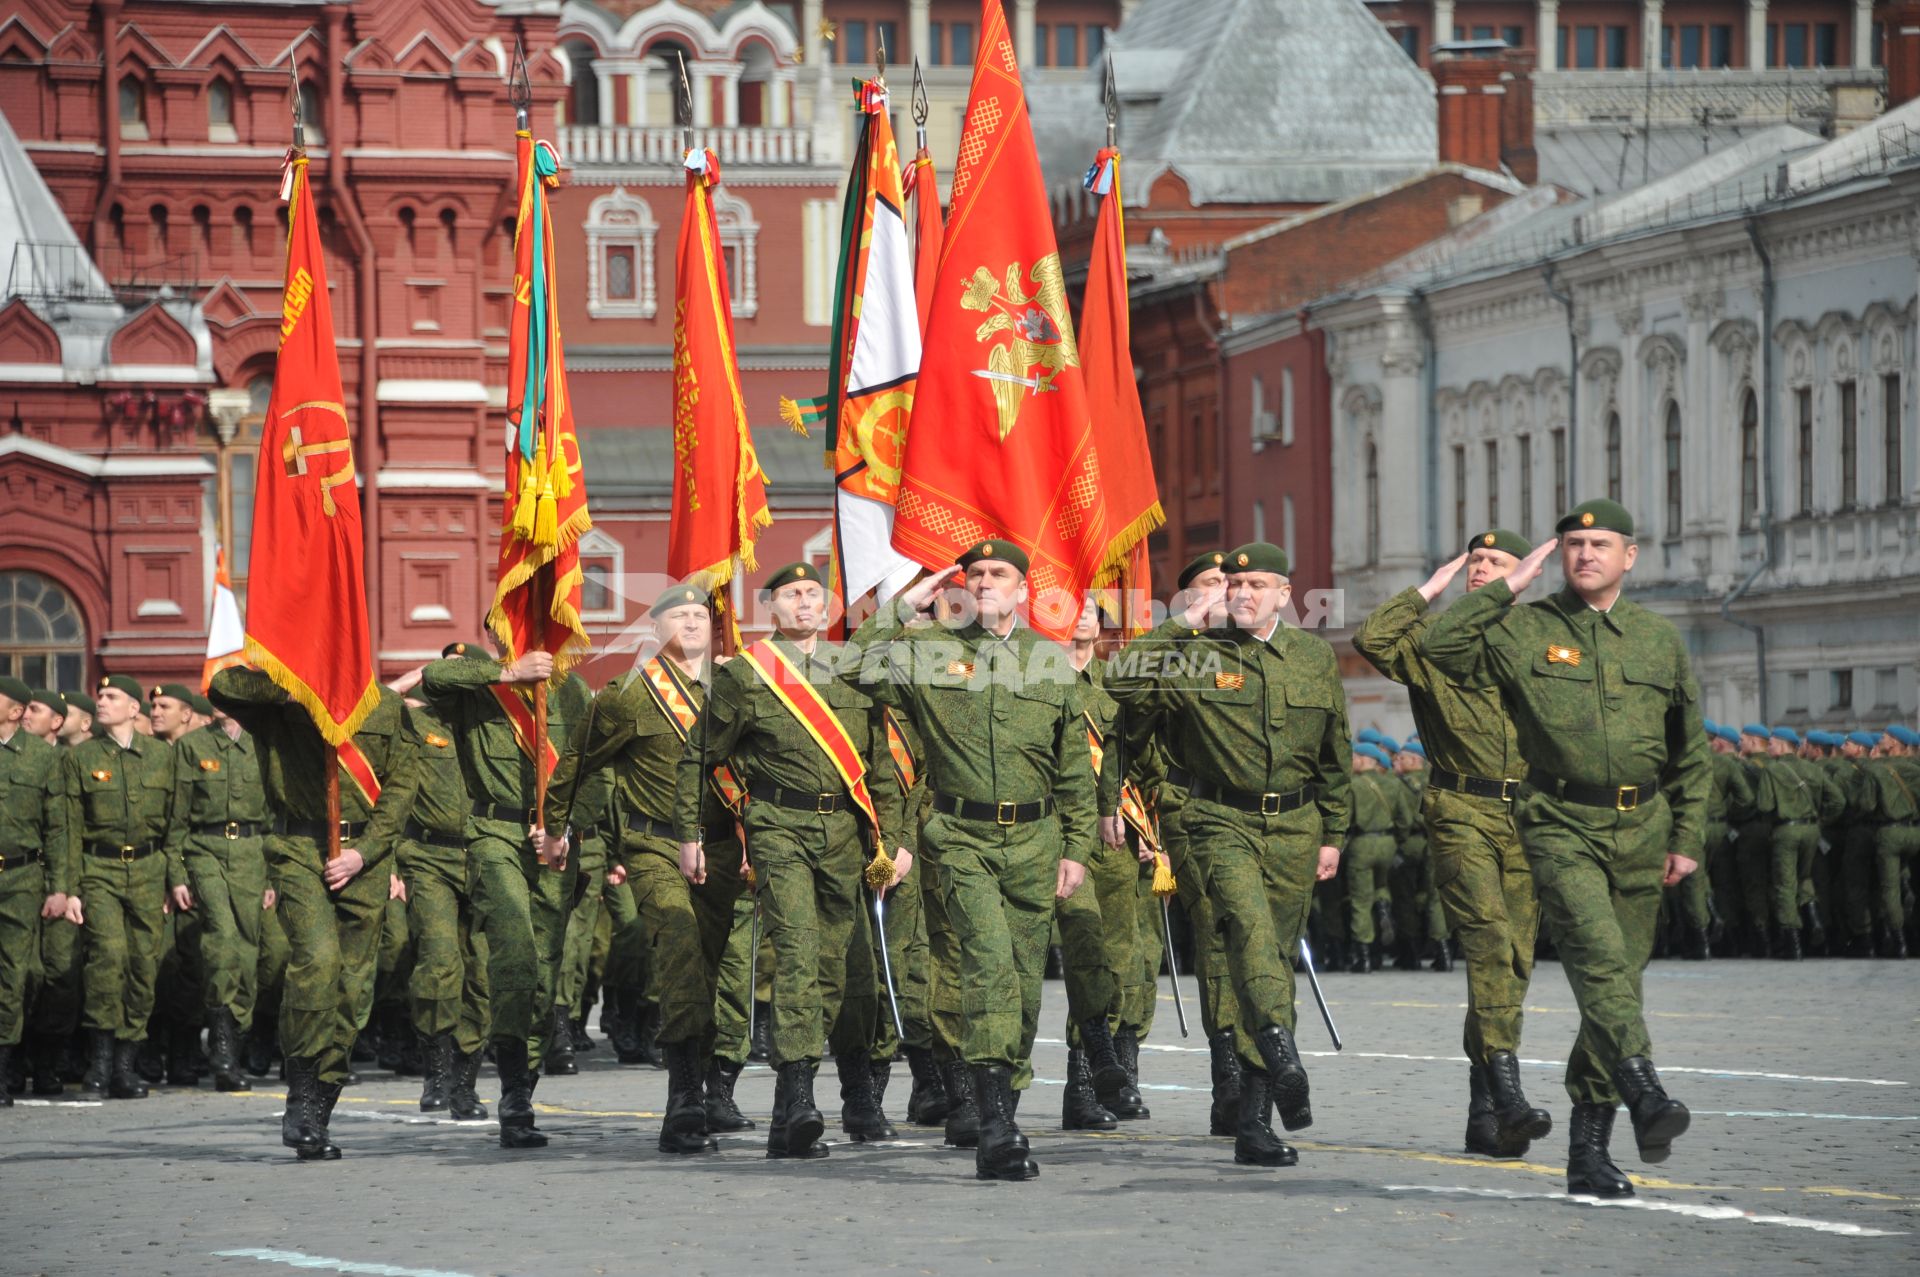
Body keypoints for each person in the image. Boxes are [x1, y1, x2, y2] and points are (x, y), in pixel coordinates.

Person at [1423, 499, 1707, 1199]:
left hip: (1643, 827)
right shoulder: (1525, 630)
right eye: (1574, 543)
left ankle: (1589, 1151)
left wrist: (1687, 837)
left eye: (1600, 543)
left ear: (1628, 555)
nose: (1585, 554)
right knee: (1601, 960)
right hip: (1559, 822)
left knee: (1618, 984)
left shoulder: (1658, 640)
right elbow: (1440, 649)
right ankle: (1643, 1083)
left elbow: (1690, 750)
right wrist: (1508, 586)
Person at [849, 541, 1096, 1182]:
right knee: (986, 966)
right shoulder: (930, 650)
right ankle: (996, 1128)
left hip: (1038, 841)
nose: (985, 582)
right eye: (975, 574)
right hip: (960, 836)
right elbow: (851, 669)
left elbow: (1073, 766)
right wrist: (902, 607)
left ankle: (1002, 1106)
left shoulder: (1049, 659)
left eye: (999, 574)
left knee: (1021, 982)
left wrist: (1076, 848)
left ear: (1022, 588)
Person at [1109, 541, 1351, 1172]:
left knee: (1270, 954)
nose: (1242, 595)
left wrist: (1335, 833)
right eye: (1232, 586)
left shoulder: (1314, 657)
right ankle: (1279, 1046)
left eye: (1256, 585)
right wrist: (1184, 620)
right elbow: (1122, 681)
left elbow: (1334, 752)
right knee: (1245, 931)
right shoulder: (1193, 654)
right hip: (1214, 819)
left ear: (1284, 595)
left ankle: (1256, 1119)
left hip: (1294, 826)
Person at [673, 564, 902, 1160]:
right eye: (791, 594)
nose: (805, 602)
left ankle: (797, 1111)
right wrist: (693, 833)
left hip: (846, 837)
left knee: (841, 966)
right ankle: (798, 1096)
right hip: (778, 828)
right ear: (770, 607)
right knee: (799, 953)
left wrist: (893, 839)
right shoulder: (748, 676)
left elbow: (881, 764)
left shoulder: (851, 672)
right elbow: (700, 758)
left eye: (813, 593)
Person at [1354, 528, 1554, 1158]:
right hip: (1459, 808)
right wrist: (1427, 589)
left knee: (1514, 960)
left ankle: (1483, 1107)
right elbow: (1371, 639)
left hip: (1526, 816)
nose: (1481, 569)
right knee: (1490, 941)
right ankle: (1509, 1092)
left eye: (1497, 562)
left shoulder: (1540, 641)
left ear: (1522, 576)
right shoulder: (1433, 645)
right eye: (1475, 561)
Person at [546, 586, 750, 1154]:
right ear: (655, 627)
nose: (691, 622)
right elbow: (578, 764)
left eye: (699, 615)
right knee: (682, 956)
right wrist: (558, 827)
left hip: (723, 850)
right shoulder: (629, 696)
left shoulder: (735, 687)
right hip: (656, 848)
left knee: (713, 970)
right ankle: (682, 1102)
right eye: (678, 614)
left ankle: (713, 1090)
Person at [210, 666, 406, 1160]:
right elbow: (222, 688)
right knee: (317, 962)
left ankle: (321, 1102)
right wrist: (293, 674)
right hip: (299, 847)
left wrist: (366, 852)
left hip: (365, 855)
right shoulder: (282, 702)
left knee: (353, 989)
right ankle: (299, 1092)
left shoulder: (386, 705)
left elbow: (402, 788)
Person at [420, 640, 585, 1150]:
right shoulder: (480, 688)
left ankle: (522, 1086)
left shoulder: (571, 690)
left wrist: (563, 827)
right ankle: (512, 1092)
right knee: (514, 953)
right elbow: (433, 677)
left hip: (554, 842)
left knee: (545, 970)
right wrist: (508, 672)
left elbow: (590, 768)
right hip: (493, 835)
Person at [384, 657, 491, 1121]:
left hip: (488, 858)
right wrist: (411, 678)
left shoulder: (497, 722)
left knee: (482, 973)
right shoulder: (415, 719)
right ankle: (438, 1072)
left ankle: (466, 1082)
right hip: (428, 859)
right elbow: (363, 711)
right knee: (440, 960)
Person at [64, 674, 177, 1101]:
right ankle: (100, 1062)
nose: (101, 701)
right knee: (106, 958)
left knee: (143, 966)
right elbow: (70, 828)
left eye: (111, 697)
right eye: (99, 695)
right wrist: (70, 887)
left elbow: (174, 824)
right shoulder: (80, 758)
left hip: (150, 870)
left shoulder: (162, 757)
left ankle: (127, 1065)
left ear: (134, 709)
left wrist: (173, 879)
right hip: (100, 869)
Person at [163, 701, 271, 1093]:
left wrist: (272, 874)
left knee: (247, 951)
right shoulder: (193, 747)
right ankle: (222, 1050)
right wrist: (176, 874)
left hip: (252, 853)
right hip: (203, 849)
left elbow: (276, 812)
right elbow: (176, 817)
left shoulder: (263, 743)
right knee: (222, 938)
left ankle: (234, 1041)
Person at [0, 676, 68, 1104]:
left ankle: (6, 1066)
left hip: (23, 879)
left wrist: (59, 887)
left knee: (16, 974)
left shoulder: (42, 759)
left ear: (15, 712)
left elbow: (58, 827)